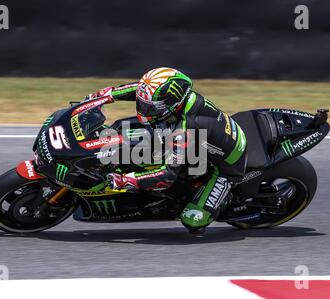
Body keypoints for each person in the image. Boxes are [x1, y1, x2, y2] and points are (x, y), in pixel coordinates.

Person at [85, 67, 247, 234]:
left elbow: (168, 175)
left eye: (150, 107)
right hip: (202, 146)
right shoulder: (178, 100)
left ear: (173, 103)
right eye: (143, 104)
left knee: (193, 219)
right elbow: (138, 89)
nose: (144, 110)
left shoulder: (185, 127)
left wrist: (126, 180)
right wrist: (103, 96)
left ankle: (224, 198)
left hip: (227, 168)